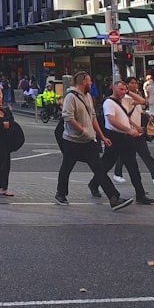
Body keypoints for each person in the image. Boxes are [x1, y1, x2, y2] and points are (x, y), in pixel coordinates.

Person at [55, 70, 132, 211]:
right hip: (72, 140)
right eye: (89, 81)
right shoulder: (70, 97)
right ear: (83, 81)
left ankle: (114, 198)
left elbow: (93, 117)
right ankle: (60, 193)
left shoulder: (88, 96)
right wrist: (82, 130)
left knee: (99, 169)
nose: (91, 83)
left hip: (88, 141)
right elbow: (68, 117)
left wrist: (101, 136)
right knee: (67, 167)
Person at [95, 80, 154, 205]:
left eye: (124, 89)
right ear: (113, 88)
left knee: (133, 167)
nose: (123, 92)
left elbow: (142, 101)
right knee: (107, 164)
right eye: (120, 89)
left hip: (126, 137)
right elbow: (111, 120)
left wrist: (134, 126)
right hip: (114, 137)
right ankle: (93, 184)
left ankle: (140, 194)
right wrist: (129, 129)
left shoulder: (125, 101)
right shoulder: (108, 103)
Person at [113, 76, 154, 187]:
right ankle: (116, 174)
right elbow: (129, 113)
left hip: (137, 131)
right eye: (132, 83)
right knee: (125, 154)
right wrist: (127, 92)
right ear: (126, 85)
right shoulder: (124, 99)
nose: (135, 85)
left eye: (136, 83)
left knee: (144, 154)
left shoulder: (133, 97)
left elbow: (142, 103)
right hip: (128, 131)